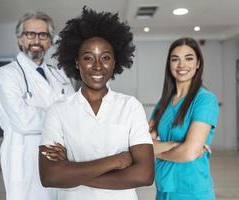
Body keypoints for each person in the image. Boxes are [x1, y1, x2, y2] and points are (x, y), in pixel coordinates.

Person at [38, 7, 154, 200]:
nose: (98, 66)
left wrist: (71, 171)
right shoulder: (58, 111)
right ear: (76, 62)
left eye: (105, 58)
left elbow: (145, 175)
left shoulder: (130, 106)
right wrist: (116, 161)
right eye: (88, 58)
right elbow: (50, 176)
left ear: (115, 62)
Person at [0, 11, 74, 200]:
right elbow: (23, 121)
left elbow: (76, 110)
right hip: (25, 158)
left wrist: (53, 116)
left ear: (49, 41)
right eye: (30, 34)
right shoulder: (8, 74)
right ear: (20, 39)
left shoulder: (59, 75)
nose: (36, 40)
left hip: (60, 157)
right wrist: (60, 118)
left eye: (43, 35)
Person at [149, 37, 219, 200]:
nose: (182, 65)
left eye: (189, 58)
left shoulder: (205, 100)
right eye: (175, 59)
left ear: (198, 63)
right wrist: (176, 146)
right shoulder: (164, 102)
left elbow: (189, 152)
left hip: (191, 190)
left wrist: (158, 152)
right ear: (169, 65)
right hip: (164, 189)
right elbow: (143, 143)